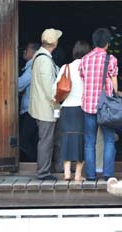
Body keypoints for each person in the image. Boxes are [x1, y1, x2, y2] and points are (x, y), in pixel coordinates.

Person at [79, 27, 119, 180]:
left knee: (89, 142)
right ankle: (108, 174)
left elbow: (83, 78)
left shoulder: (84, 59)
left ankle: (90, 175)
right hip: (106, 106)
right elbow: (114, 83)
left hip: (88, 105)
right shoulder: (111, 60)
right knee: (109, 140)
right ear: (107, 43)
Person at [29, 28, 62, 181]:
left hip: (42, 106)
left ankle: (47, 169)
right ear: (54, 43)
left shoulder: (40, 57)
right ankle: (43, 172)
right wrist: (57, 104)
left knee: (47, 140)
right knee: (46, 141)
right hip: (45, 108)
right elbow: (49, 88)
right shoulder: (44, 60)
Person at [55, 39, 90, 182]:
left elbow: (55, 88)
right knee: (81, 140)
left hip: (67, 108)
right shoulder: (88, 68)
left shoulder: (66, 67)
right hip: (82, 108)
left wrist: (55, 100)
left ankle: (67, 173)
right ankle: (77, 175)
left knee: (67, 139)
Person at [18, 41, 39, 162]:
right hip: (33, 109)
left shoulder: (32, 67)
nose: (24, 52)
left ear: (33, 52)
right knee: (33, 139)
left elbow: (19, 85)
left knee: (23, 140)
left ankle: (33, 162)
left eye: (26, 49)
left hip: (30, 110)